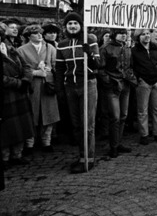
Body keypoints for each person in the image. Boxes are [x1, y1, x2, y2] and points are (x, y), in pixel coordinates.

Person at [55, 12, 100, 174]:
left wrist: (89, 52)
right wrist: (59, 88)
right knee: (76, 124)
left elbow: (97, 65)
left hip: (87, 84)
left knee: (87, 124)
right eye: (69, 24)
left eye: (75, 23)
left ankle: (89, 158)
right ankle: (82, 156)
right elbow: (59, 68)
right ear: (65, 27)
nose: (73, 26)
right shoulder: (62, 44)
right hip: (70, 87)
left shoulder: (90, 40)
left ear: (81, 25)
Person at [17, 24, 60, 154]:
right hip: (32, 85)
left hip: (48, 84)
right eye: (36, 33)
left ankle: (47, 141)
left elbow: (56, 64)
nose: (40, 35)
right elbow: (20, 68)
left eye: (40, 33)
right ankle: (30, 143)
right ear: (28, 36)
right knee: (31, 113)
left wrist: (51, 70)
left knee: (49, 114)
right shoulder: (21, 50)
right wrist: (34, 73)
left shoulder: (50, 47)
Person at [0, 22, 35, 167]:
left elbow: (26, 65)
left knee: (20, 126)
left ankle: (17, 155)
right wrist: (19, 83)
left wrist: (26, 79)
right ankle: (5, 158)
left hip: (19, 94)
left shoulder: (9, 48)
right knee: (6, 129)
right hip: (5, 95)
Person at [98, 28, 136, 158]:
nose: (124, 36)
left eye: (125, 34)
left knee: (123, 116)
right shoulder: (105, 48)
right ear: (115, 35)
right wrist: (108, 81)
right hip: (112, 85)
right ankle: (113, 146)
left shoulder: (126, 48)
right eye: (121, 34)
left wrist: (130, 77)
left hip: (125, 84)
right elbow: (101, 68)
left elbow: (129, 65)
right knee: (115, 116)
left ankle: (118, 143)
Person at [131, 29, 157, 145]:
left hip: (156, 81)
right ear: (138, 37)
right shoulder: (134, 51)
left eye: (147, 33)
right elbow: (132, 66)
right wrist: (138, 79)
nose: (146, 36)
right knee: (143, 110)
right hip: (143, 82)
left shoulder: (156, 48)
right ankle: (144, 134)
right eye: (143, 34)